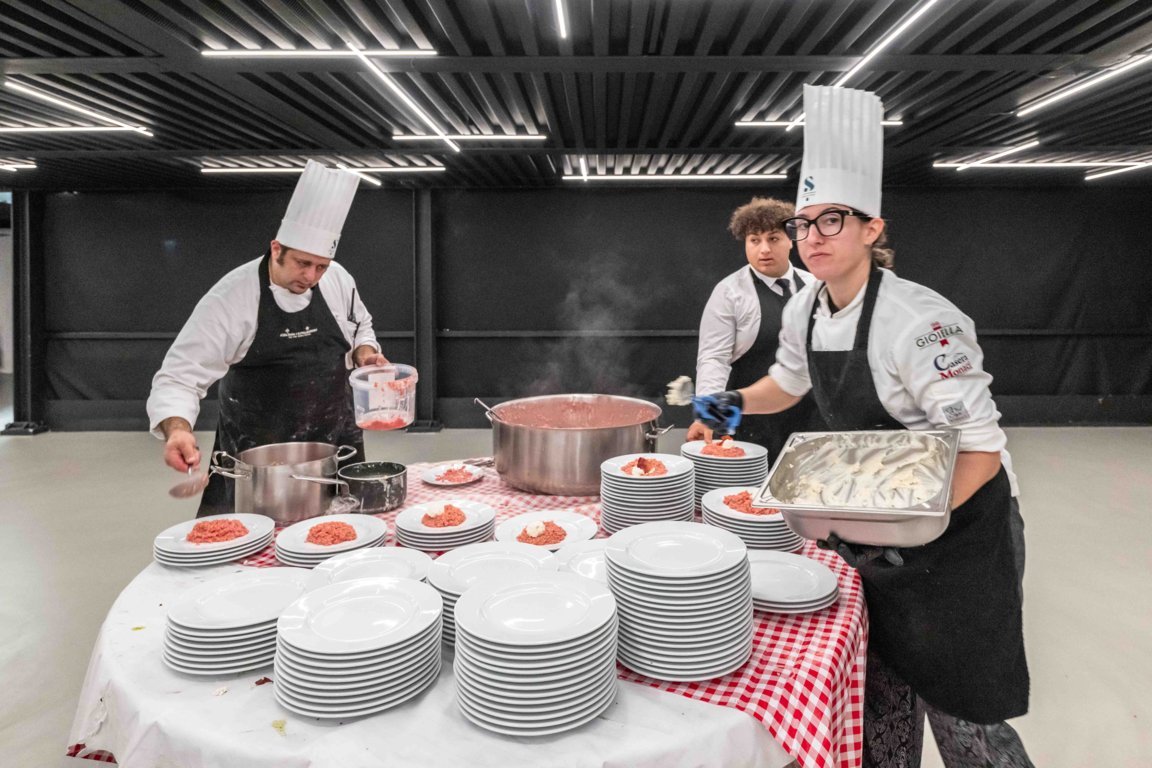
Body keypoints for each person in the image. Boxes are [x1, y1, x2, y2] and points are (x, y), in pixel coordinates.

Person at [695, 85, 1032, 767]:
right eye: (803, 224)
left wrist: (898, 521)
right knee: (879, 706)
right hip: (877, 530)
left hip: (958, 534)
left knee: (966, 722)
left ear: (872, 228)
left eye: (832, 221)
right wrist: (727, 406)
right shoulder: (805, 309)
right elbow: (787, 383)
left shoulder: (922, 322)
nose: (811, 238)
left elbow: (980, 452)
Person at [147, 161, 387, 517]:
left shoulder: (338, 279)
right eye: (302, 263)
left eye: (320, 266)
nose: (311, 276)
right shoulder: (232, 297)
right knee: (253, 539)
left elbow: (361, 325)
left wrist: (365, 353)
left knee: (344, 533)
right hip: (259, 457)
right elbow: (179, 376)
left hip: (337, 445)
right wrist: (178, 430)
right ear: (276, 249)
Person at [687, 197, 820, 461]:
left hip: (812, 414)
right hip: (751, 419)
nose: (764, 249)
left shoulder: (816, 285)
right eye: (754, 240)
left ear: (791, 240)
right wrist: (708, 414)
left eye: (773, 238)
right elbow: (714, 358)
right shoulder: (729, 292)